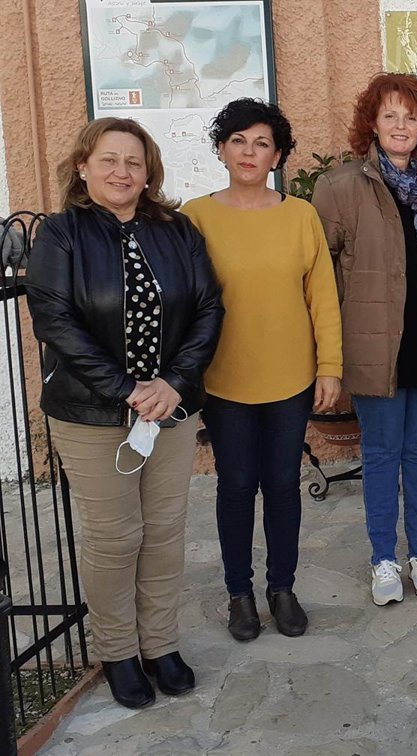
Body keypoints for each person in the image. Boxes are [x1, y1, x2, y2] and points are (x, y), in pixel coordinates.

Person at [26, 118, 223, 709]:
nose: (121, 171)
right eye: (108, 159)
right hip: (91, 412)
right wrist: (128, 390)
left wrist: (174, 383)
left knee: (163, 532)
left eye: (133, 162)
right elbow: (55, 320)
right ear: (82, 167)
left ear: (148, 172)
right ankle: (117, 650)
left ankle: (160, 644)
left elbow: (209, 308)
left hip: (170, 409)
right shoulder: (61, 234)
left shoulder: (178, 231)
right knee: (115, 537)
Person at [181, 99, 342, 642]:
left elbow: (322, 297)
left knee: (282, 485)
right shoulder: (196, 218)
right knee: (235, 486)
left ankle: (282, 589)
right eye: (238, 141)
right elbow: (183, 301)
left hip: (290, 378)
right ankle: (239, 594)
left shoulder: (300, 216)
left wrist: (330, 367)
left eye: (262, 144)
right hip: (224, 379)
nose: (249, 153)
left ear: (277, 155)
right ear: (221, 149)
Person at [312, 74, 417, 606]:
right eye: (390, 115)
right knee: (381, 453)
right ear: (372, 122)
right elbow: (320, 275)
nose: (400, 125)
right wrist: (327, 351)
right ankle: (383, 559)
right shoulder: (340, 187)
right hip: (374, 344)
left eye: (410, 117)